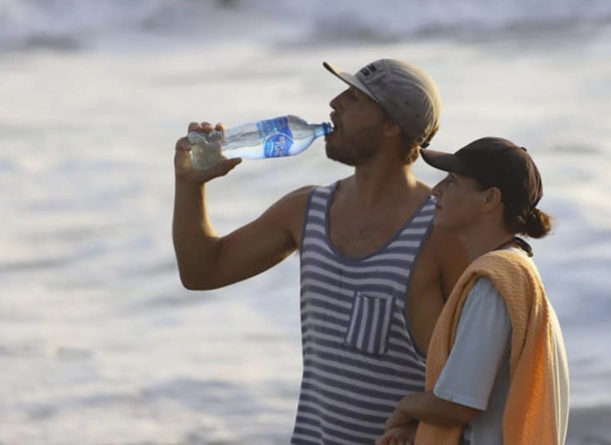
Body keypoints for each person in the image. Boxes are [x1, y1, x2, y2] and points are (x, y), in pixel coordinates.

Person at [172, 59, 468, 444]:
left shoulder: (441, 229)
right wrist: (189, 185)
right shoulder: (306, 210)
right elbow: (202, 272)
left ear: (391, 125)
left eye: (354, 98)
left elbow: (474, 374)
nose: (334, 104)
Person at [377, 137, 570, 445]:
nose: (436, 190)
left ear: (489, 199)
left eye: (452, 181)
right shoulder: (515, 271)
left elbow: (459, 404)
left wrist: (405, 408)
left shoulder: (493, 283)